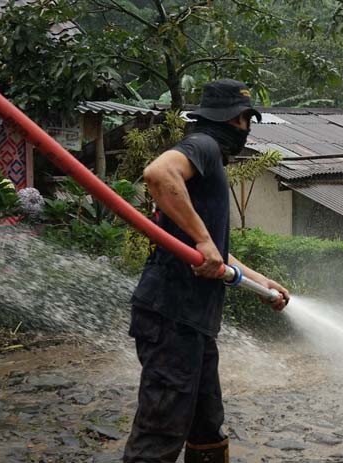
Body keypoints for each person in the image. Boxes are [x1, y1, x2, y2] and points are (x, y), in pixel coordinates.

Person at [123, 79, 290, 463]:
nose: (247, 130)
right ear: (234, 119)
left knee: (206, 426)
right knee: (160, 432)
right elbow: (158, 173)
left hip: (193, 322)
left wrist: (259, 281)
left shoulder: (209, 160)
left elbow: (214, 253)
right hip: (172, 317)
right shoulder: (205, 146)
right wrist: (203, 240)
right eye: (246, 120)